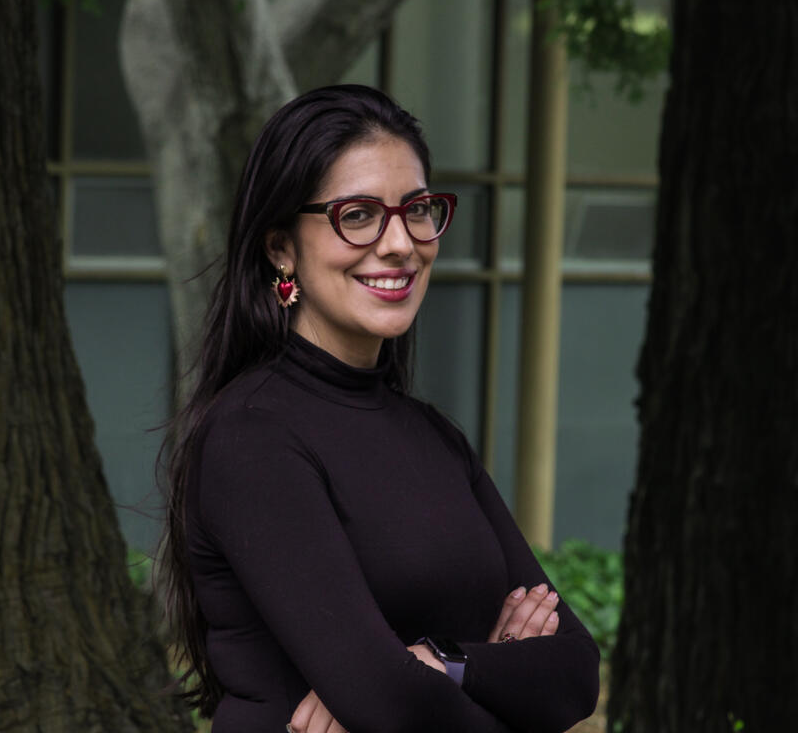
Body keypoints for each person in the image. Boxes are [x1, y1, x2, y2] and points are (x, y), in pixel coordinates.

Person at [158, 85, 600, 732]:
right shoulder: (252, 437)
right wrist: (479, 675)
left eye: (417, 209)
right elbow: (388, 700)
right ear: (282, 248)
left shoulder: (432, 437)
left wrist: (443, 663)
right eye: (359, 214)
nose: (400, 243)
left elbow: (575, 671)